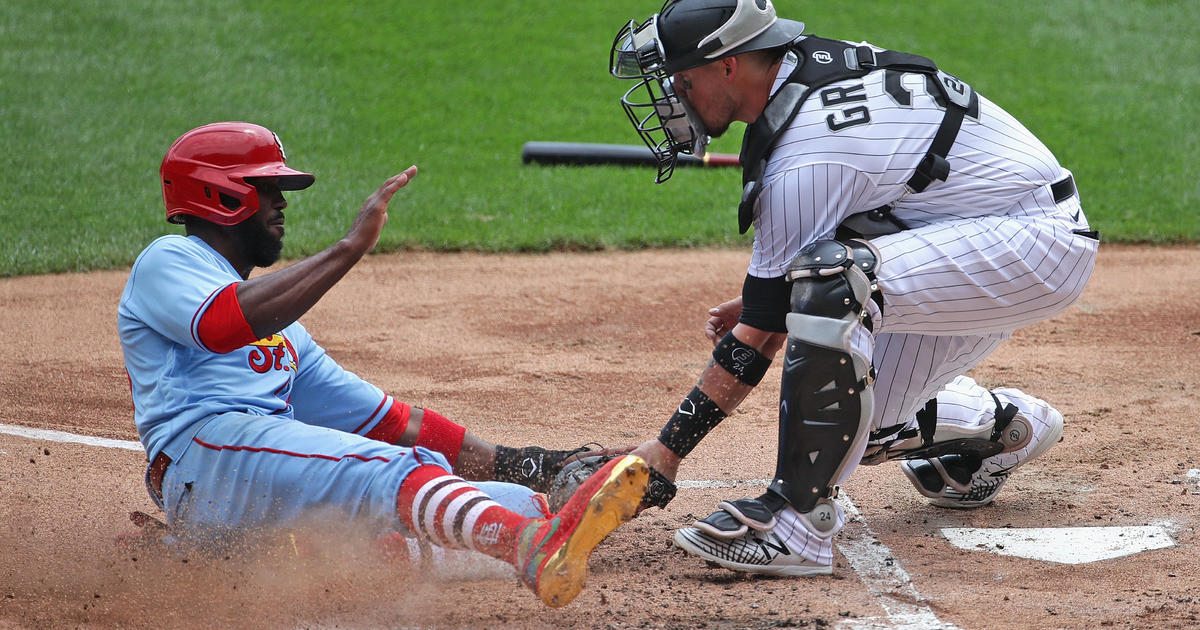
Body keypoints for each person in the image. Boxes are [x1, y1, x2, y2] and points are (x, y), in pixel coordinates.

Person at [608, 0, 1099, 576]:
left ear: (729, 65)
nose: (673, 94)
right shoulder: (804, 75)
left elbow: (763, 333)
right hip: (966, 238)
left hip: (1032, 244)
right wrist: (774, 296)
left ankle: (795, 524)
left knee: (833, 284)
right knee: (856, 427)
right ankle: (1006, 427)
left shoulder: (804, 154)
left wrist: (665, 452)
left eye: (681, 78)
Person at [118, 121, 648, 607]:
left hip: (257, 479)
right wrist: (350, 247)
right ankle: (526, 548)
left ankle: (248, 557)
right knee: (397, 471)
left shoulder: (286, 335)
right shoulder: (169, 261)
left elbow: (396, 424)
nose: (281, 203)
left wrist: (539, 462)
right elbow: (223, 324)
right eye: (267, 188)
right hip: (203, 462)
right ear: (220, 192)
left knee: (520, 500)